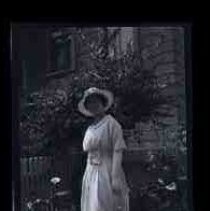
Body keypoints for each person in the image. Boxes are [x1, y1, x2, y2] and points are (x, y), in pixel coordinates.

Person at [78, 87, 130, 211]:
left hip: (107, 170)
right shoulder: (90, 129)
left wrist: (115, 177)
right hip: (90, 172)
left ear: (103, 103)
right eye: (90, 103)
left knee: (103, 205)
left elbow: (118, 150)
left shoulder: (111, 124)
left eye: (96, 101)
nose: (93, 105)